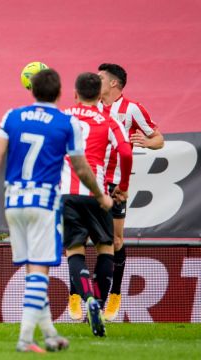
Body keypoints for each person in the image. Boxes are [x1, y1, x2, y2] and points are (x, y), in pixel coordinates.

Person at [0, 69, 113, 352]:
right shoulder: (66, 122)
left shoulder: (11, 116)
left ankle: (49, 333)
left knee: (34, 271)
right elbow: (81, 167)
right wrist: (101, 195)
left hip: (13, 202)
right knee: (40, 269)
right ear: (61, 93)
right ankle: (26, 339)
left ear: (32, 90)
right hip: (44, 203)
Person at [62, 73, 133, 336]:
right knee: (106, 248)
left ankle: (87, 298)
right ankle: (100, 306)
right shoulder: (109, 121)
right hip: (98, 194)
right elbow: (125, 152)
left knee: (74, 251)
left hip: (66, 194)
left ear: (75, 93)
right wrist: (123, 185)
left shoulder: (63, 117)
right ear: (98, 94)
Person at [96, 63, 164, 321]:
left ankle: (114, 293)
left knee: (115, 240)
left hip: (115, 183)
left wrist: (147, 142)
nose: (96, 79)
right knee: (85, 238)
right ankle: (82, 294)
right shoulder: (92, 106)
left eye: (101, 77)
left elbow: (159, 139)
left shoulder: (132, 109)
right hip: (91, 182)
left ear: (114, 83)